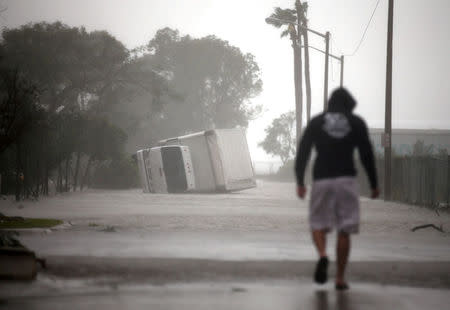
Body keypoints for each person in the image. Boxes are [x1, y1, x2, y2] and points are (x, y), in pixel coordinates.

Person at [295, 87, 379, 290]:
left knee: (317, 223)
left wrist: (300, 181)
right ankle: (340, 278)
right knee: (345, 229)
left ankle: (323, 255)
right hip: (346, 179)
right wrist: (374, 183)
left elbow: (304, 151)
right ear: (349, 105)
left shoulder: (316, 122)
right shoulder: (356, 123)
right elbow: (366, 153)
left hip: (322, 179)